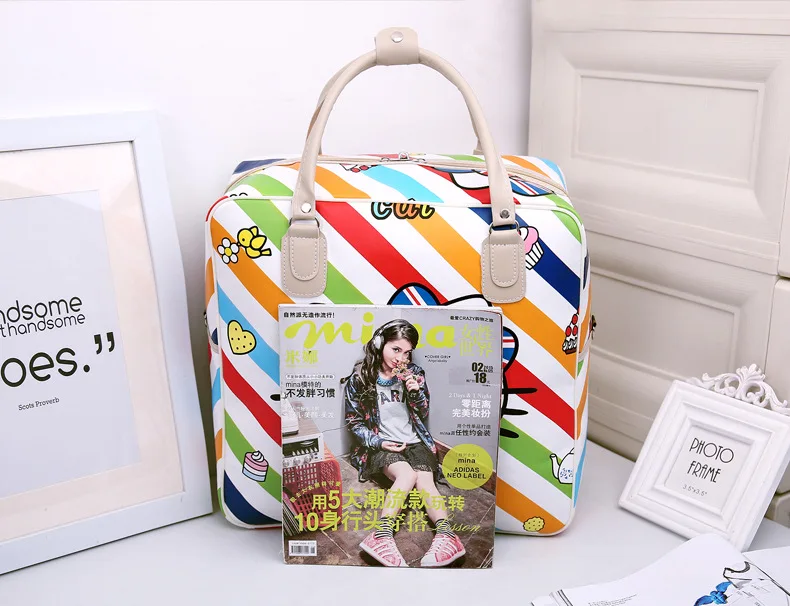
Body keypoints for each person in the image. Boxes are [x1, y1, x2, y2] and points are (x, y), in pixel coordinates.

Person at [342, 318, 466, 568]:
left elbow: (423, 412)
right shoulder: (361, 378)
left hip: (415, 441)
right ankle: (381, 535)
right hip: (382, 443)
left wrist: (415, 392)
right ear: (380, 344)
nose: (401, 358)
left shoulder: (415, 374)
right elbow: (354, 422)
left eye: (407, 352)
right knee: (407, 475)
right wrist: (379, 442)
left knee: (425, 480)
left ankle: (447, 537)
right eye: (396, 349)